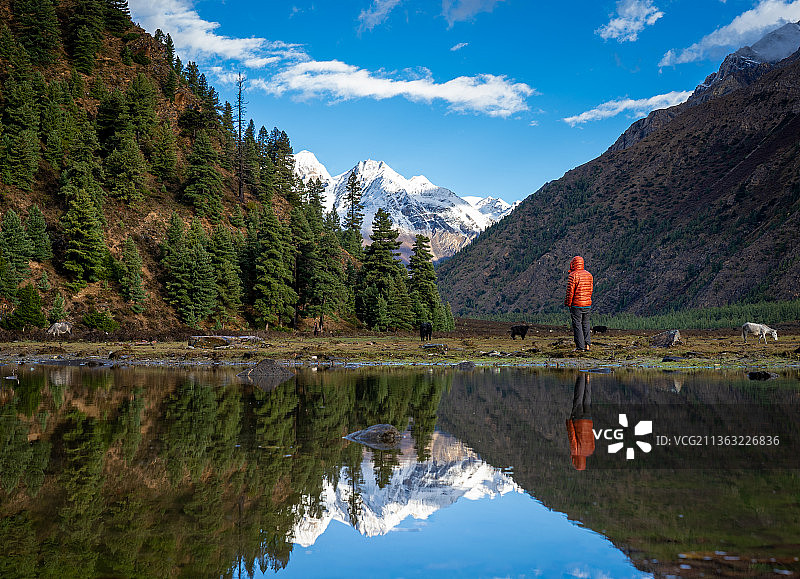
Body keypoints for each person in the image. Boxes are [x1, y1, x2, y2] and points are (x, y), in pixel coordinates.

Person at [564, 255, 593, 352]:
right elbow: (591, 290)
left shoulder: (573, 275)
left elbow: (570, 292)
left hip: (576, 304)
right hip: (587, 303)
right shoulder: (589, 275)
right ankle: (587, 345)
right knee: (586, 324)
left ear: (573, 264)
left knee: (577, 324)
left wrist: (568, 303)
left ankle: (580, 347)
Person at [566, 372, 594, 470]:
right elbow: (572, 436)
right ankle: (581, 375)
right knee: (578, 400)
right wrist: (569, 423)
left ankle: (588, 379)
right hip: (578, 422)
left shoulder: (590, 451)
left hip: (589, 421)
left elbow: (592, 436)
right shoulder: (575, 451)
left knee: (587, 400)